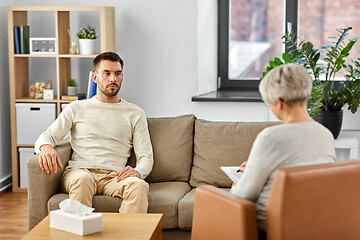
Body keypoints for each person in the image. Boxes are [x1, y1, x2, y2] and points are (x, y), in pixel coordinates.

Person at [34, 52, 153, 213]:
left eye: (117, 74)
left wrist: (138, 171)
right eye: (107, 73)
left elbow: (146, 156)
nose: (113, 79)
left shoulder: (135, 113)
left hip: (114, 177)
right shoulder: (77, 107)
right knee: (83, 180)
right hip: (79, 172)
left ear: (122, 76)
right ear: (95, 77)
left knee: (138, 186)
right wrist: (46, 147)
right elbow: (48, 135)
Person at [230, 63, 336, 237]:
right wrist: (252, 170)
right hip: (312, 223)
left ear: (279, 103)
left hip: (269, 225)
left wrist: (237, 183)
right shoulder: (325, 135)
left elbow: (243, 195)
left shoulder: (270, 137)